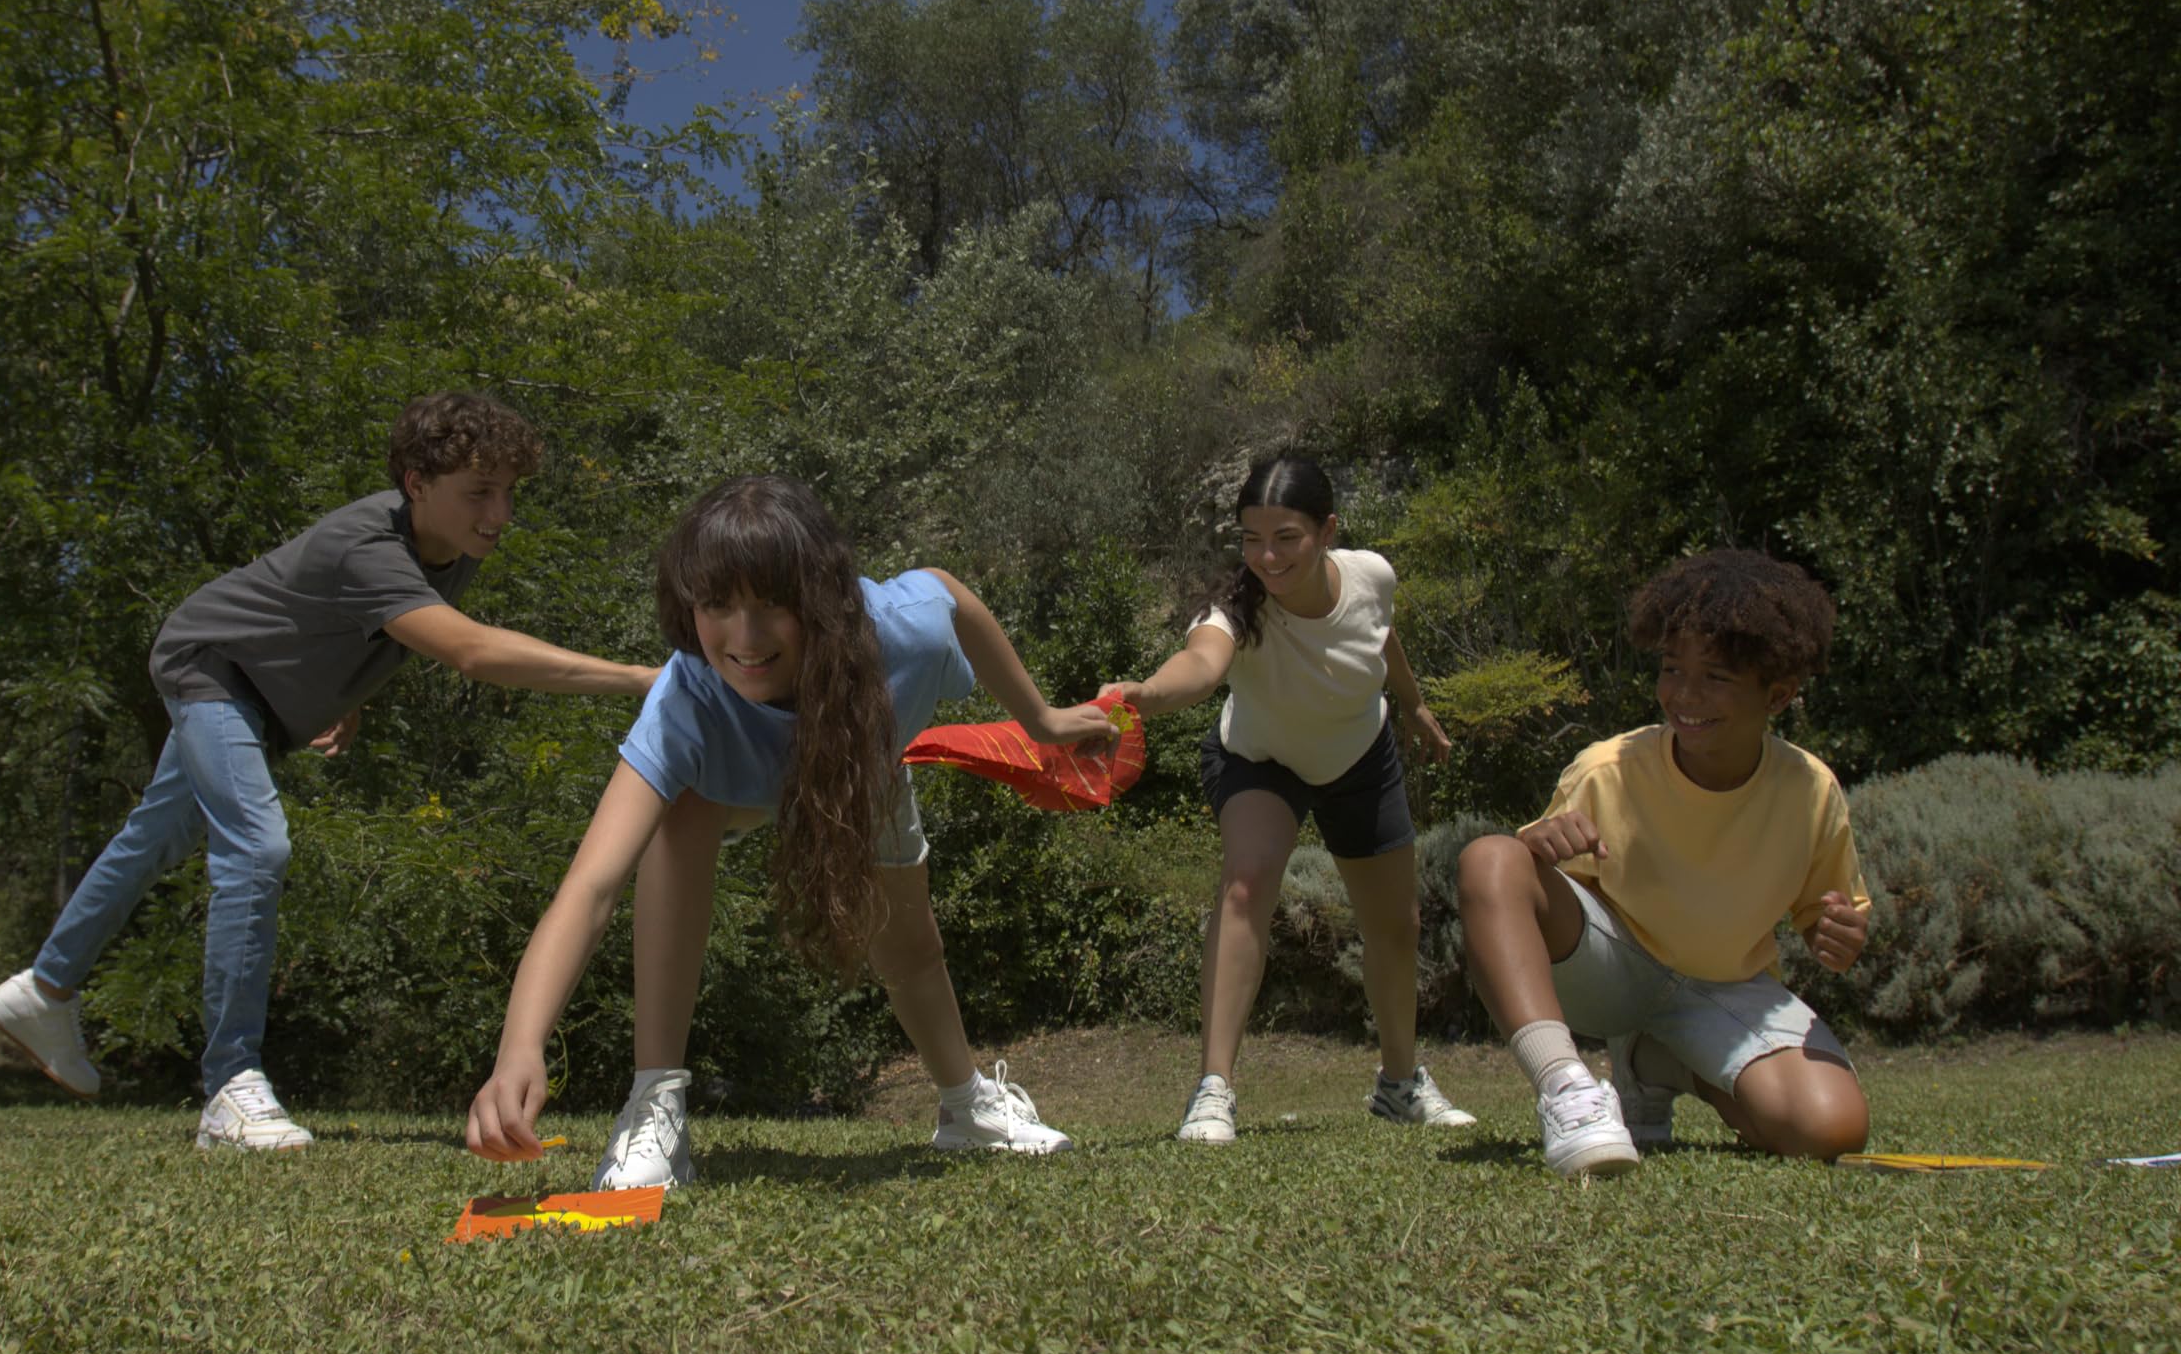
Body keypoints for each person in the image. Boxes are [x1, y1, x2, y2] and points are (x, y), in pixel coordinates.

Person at [0, 393, 658, 1150]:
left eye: (507, 492)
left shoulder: (451, 549)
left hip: (261, 697)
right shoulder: (368, 544)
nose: (498, 513)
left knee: (157, 836)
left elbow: (358, 627)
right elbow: (470, 650)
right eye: (479, 492)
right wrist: (638, 677)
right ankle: (229, 1089)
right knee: (257, 847)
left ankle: (44, 988)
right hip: (211, 666)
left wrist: (346, 694)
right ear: (415, 482)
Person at [465, 475, 1119, 1189]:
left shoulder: (902, 630)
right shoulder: (687, 699)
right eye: (717, 605)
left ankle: (968, 1107)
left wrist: (1043, 721)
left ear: (822, 597)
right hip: (729, 784)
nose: (743, 640)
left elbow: (949, 593)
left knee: (909, 946)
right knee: (675, 811)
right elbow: (589, 887)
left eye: (772, 605)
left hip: (857, 761)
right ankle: (654, 1104)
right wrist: (519, 1045)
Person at [1454, 548, 1871, 1179]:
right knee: (1489, 858)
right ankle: (1568, 1089)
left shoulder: (1811, 790)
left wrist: (1833, 935)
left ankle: (1658, 1063)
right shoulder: (1607, 769)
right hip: (1612, 970)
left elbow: (1825, 916)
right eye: (1673, 668)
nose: (1684, 695)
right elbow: (1526, 891)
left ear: (1778, 694)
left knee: (1829, 1129)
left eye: (1718, 678)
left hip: (1724, 992)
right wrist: (1539, 848)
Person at [1096, 453, 1472, 1145]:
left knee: (1398, 924)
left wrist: (1414, 704)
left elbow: (1381, 632)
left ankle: (1399, 1084)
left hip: (1359, 756)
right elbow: (1200, 668)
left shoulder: (1372, 574)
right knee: (1248, 880)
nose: (1266, 556)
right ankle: (1213, 1088)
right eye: (1251, 538)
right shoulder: (1237, 611)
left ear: (1327, 529)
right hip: (1259, 760)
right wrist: (1145, 694)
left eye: (1286, 537)